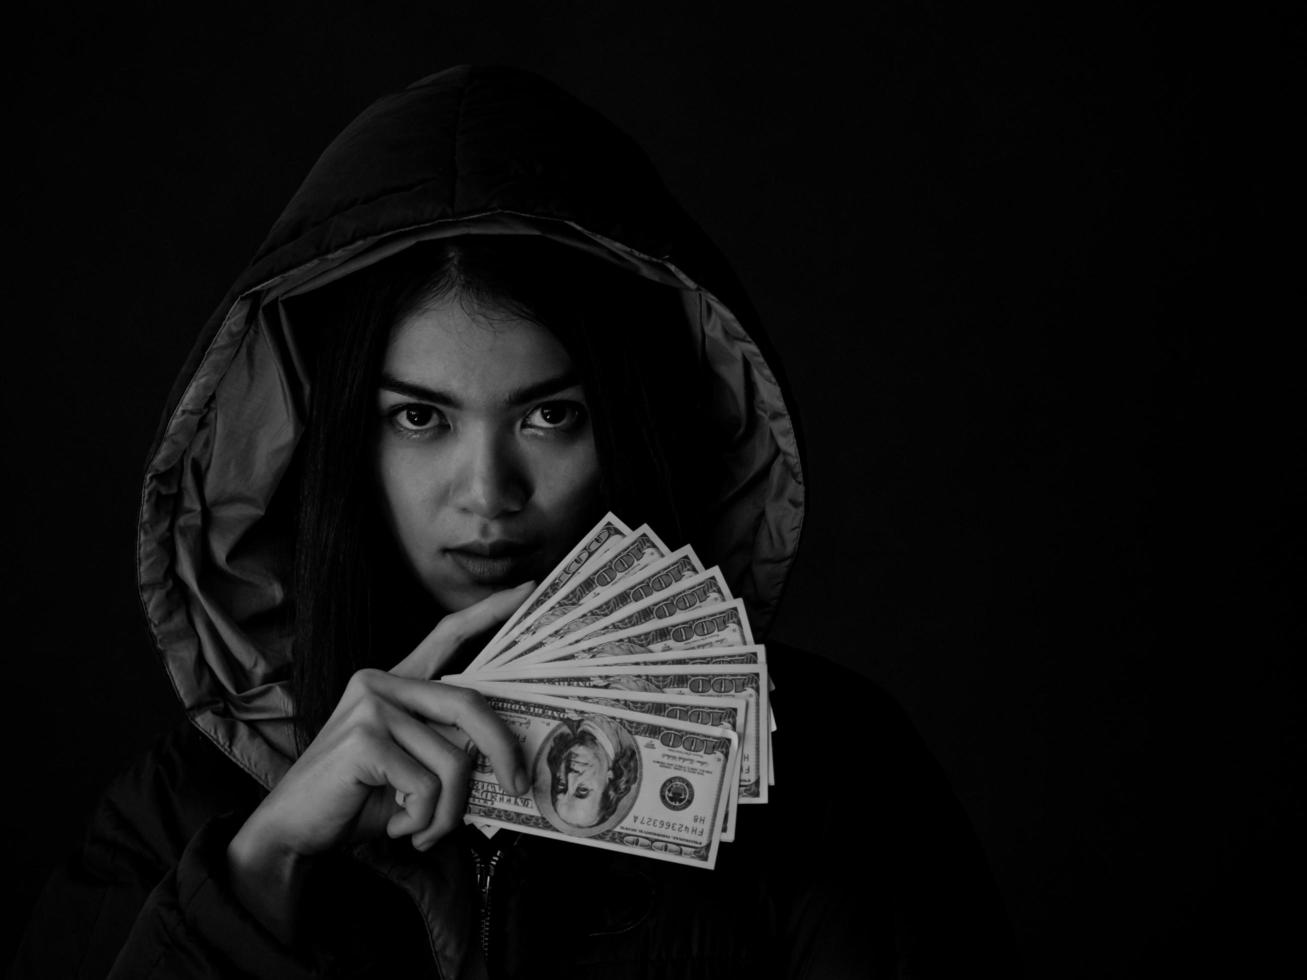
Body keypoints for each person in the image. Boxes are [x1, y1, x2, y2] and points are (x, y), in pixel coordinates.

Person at [11, 66, 1019, 978]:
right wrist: (260, 867)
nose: (487, 490)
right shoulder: (177, 815)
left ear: (628, 421)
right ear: (332, 448)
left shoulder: (832, 774)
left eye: (549, 414)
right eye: (419, 417)